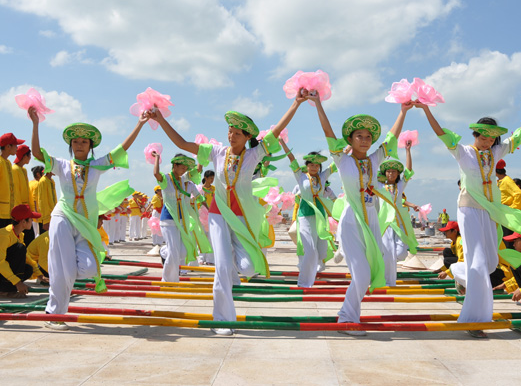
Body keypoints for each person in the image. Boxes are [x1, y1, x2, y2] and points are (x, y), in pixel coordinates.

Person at [148, 95, 306, 335]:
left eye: (237, 133)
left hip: (242, 218)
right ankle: (222, 319)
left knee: (249, 267)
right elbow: (182, 143)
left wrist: (296, 103)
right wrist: (159, 118)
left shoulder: (254, 155)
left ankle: (229, 260)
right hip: (218, 216)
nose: (231, 136)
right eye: (230, 131)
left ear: (248, 138)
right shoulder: (216, 152)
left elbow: (277, 129)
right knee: (221, 269)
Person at [418, 100, 521, 336]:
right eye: (483, 138)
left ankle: (459, 271)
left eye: (491, 139)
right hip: (468, 210)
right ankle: (475, 319)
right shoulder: (463, 151)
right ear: (475, 134)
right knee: (477, 264)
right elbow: (440, 132)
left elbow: (518, 136)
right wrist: (426, 109)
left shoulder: (495, 152)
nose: (487, 143)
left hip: (489, 211)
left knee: (489, 263)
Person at [29, 105, 149, 330]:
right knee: (60, 267)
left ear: (91, 146)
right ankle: (54, 313)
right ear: (70, 145)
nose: (80, 145)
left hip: (86, 223)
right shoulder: (62, 165)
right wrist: (35, 124)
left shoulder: (97, 165)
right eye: (75, 141)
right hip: (63, 216)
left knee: (88, 267)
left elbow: (121, 149)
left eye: (84, 142)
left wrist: (140, 124)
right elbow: (37, 153)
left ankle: (60, 300)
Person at [309, 93, 412, 336]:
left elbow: (391, 138)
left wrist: (403, 111)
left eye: (368, 137)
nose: (364, 140)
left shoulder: (376, 160)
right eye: (359, 136)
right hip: (352, 221)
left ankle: (347, 315)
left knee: (369, 271)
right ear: (351, 139)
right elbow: (329, 132)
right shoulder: (342, 160)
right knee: (362, 274)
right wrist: (318, 104)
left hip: (372, 221)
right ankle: (346, 318)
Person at [281, 141, 337, 288]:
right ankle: (303, 282)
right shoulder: (300, 176)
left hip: (320, 216)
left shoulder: (322, 177)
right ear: (306, 165)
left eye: (317, 165)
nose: (314, 167)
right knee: (310, 250)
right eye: (311, 164)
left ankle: (311, 276)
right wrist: (283, 144)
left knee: (320, 250)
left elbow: (336, 164)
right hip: (304, 216)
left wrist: (349, 148)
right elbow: (292, 159)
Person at [152, 152, 210, 282]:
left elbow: (200, 195)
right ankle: (168, 280)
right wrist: (157, 158)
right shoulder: (166, 179)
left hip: (182, 220)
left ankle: (163, 251)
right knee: (174, 252)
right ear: (175, 165)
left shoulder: (186, 182)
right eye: (182, 167)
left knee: (183, 252)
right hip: (168, 220)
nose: (185, 170)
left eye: (186, 169)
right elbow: (156, 174)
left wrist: (209, 210)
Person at [0, 204, 40, 298]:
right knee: (19, 249)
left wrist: (39, 274)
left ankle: (8, 287)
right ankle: (5, 291)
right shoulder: (4, 236)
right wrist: (17, 282)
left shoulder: (19, 235)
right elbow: (0, 263)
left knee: (28, 269)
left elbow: (25, 257)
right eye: (30, 219)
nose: (32, 221)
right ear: (23, 222)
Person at [377, 146, 419, 287]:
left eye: (394, 171)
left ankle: (385, 267)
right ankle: (388, 280)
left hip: (400, 222)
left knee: (401, 254)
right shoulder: (379, 186)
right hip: (385, 223)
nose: (391, 174)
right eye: (388, 171)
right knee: (388, 253)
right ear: (384, 173)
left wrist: (408, 151)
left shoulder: (400, 186)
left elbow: (408, 170)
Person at [0, 133, 25, 235]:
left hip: (7, 213)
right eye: (15, 145)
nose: (17, 148)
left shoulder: (7, 163)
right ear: (8, 147)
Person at [12, 144, 34, 245]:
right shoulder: (15, 170)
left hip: (26, 209)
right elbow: (16, 191)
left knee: (30, 238)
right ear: (25, 156)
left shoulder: (23, 170)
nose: (30, 158)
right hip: (20, 212)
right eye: (29, 156)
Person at [37, 168, 57, 232]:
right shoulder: (43, 181)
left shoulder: (52, 181)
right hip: (46, 216)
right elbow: (42, 201)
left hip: (53, 214)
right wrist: (46, 219)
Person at [146, 185, 164, 256]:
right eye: (159, 190)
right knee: (154, 227)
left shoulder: (162, 197)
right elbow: (155, 204)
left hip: (161, 212)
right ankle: (154, 242)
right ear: (156, 191)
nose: (161, 191)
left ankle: (159, 242)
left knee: (160, 227)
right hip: (156, 212)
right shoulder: (155, 197)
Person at [29, 166, 44, 237]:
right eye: (43, 173)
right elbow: (35, 200)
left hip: (30, 214)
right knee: (38, 235)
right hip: (37, 216)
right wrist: (36, 214)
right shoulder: (38, 184)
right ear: (38, 174)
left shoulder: (30, 183)